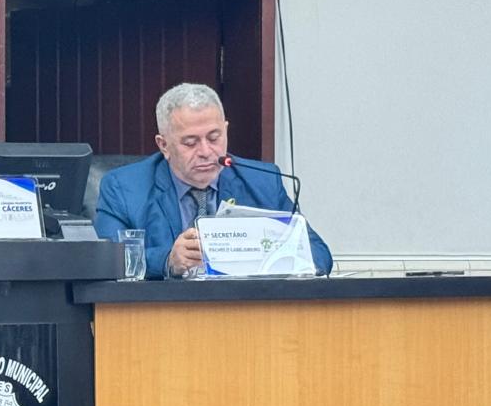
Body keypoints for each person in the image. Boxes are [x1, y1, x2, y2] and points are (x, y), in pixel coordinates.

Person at [94, 83, 332, 278]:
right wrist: (168, 260)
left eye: (214, 138)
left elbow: (319, 255)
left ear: (226, 130)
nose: (206, 151)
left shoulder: (262, 182)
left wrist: (264, 256)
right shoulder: (124, 188)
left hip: (245, 311)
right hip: (161, 314)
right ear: (163, 145)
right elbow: (105, 261)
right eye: (190, 143)